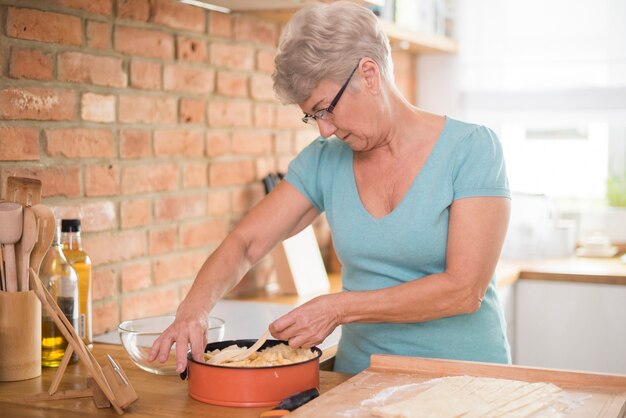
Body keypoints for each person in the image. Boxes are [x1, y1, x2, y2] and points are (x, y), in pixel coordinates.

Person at [149, 1, 511, 375]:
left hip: (466, 382)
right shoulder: (325, 159)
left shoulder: (472, 149)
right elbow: (246, 243)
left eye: (326, 109)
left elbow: (464, 290)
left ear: (369, 75)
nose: (324, 129)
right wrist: (192, 310)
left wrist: (339, 307)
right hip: (360, 381)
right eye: (313, 116)